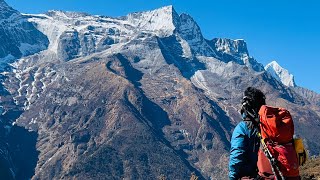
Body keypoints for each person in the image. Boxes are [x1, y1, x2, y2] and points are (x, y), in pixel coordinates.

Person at [229, 87, 266, 180]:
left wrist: (232, 177)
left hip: (251, 176)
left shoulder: (242, 128)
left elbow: (236, 157)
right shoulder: (270, 126)